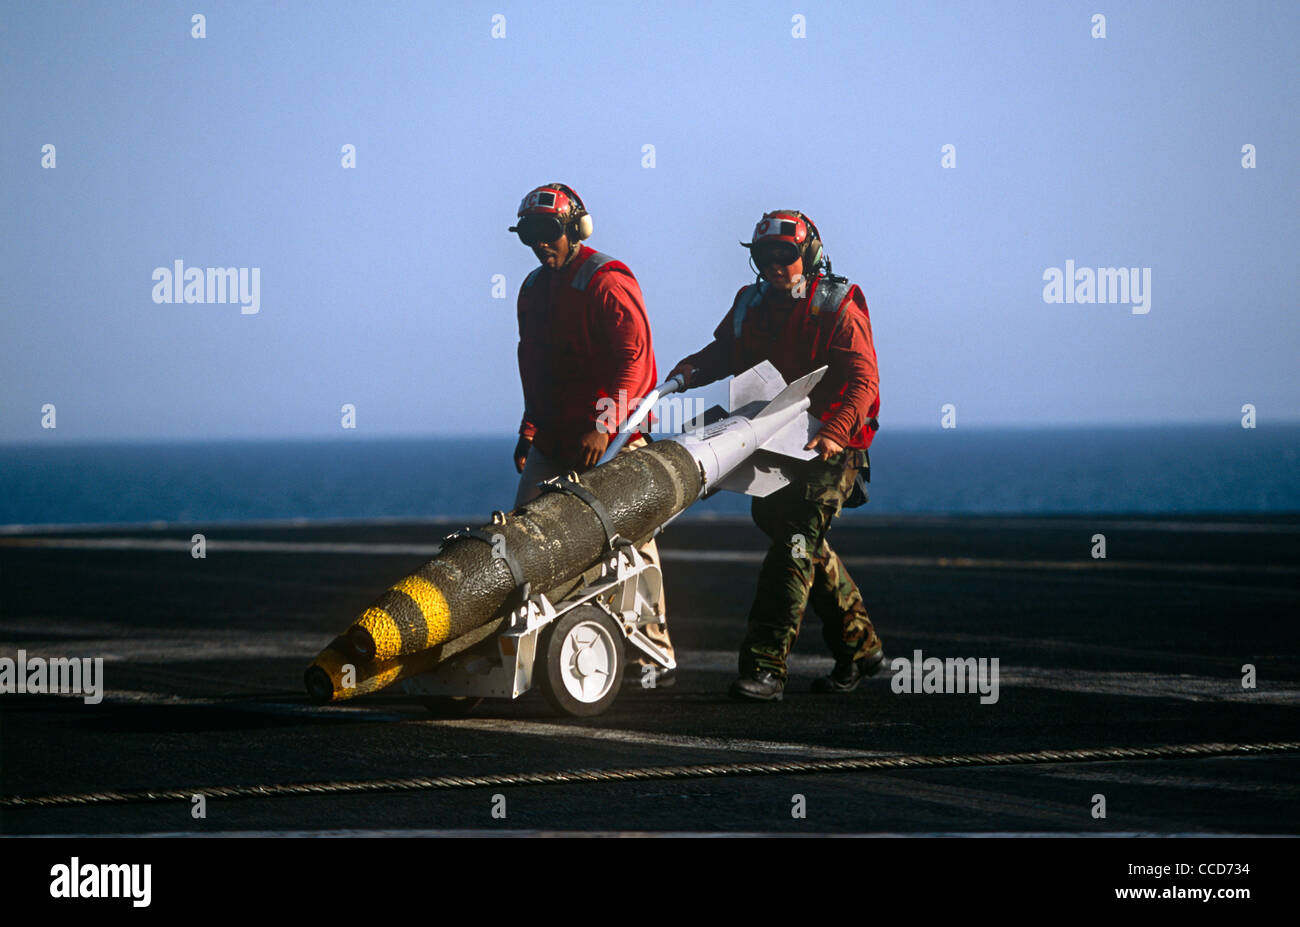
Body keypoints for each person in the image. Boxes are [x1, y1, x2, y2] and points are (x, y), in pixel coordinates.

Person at [667, 210, 883, 701]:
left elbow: (863, 381)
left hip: (829, 449)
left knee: (792, 550)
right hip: (773, 442)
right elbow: (725, 351)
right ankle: (860, 647)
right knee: (802, 544)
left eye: (785, 255)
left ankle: (765, 670)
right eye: (765, 257)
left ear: (809, 255)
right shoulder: (750, 304)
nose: (775, 266)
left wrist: (835, 431)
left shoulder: (837, 306)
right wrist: (688, 372)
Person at [509, 183, 674, 683]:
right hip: (555, 439)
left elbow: (634, 362)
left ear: (576, 228)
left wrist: (605, 425)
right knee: (522, 540)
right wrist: (531, 427)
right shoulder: (533, 290)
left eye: (549, 230)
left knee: (630, 542)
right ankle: (538, 648)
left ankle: (652, 653)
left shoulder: (607, 281)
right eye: (531, 234)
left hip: (613, 439)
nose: (541, 243)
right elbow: (535, 365)